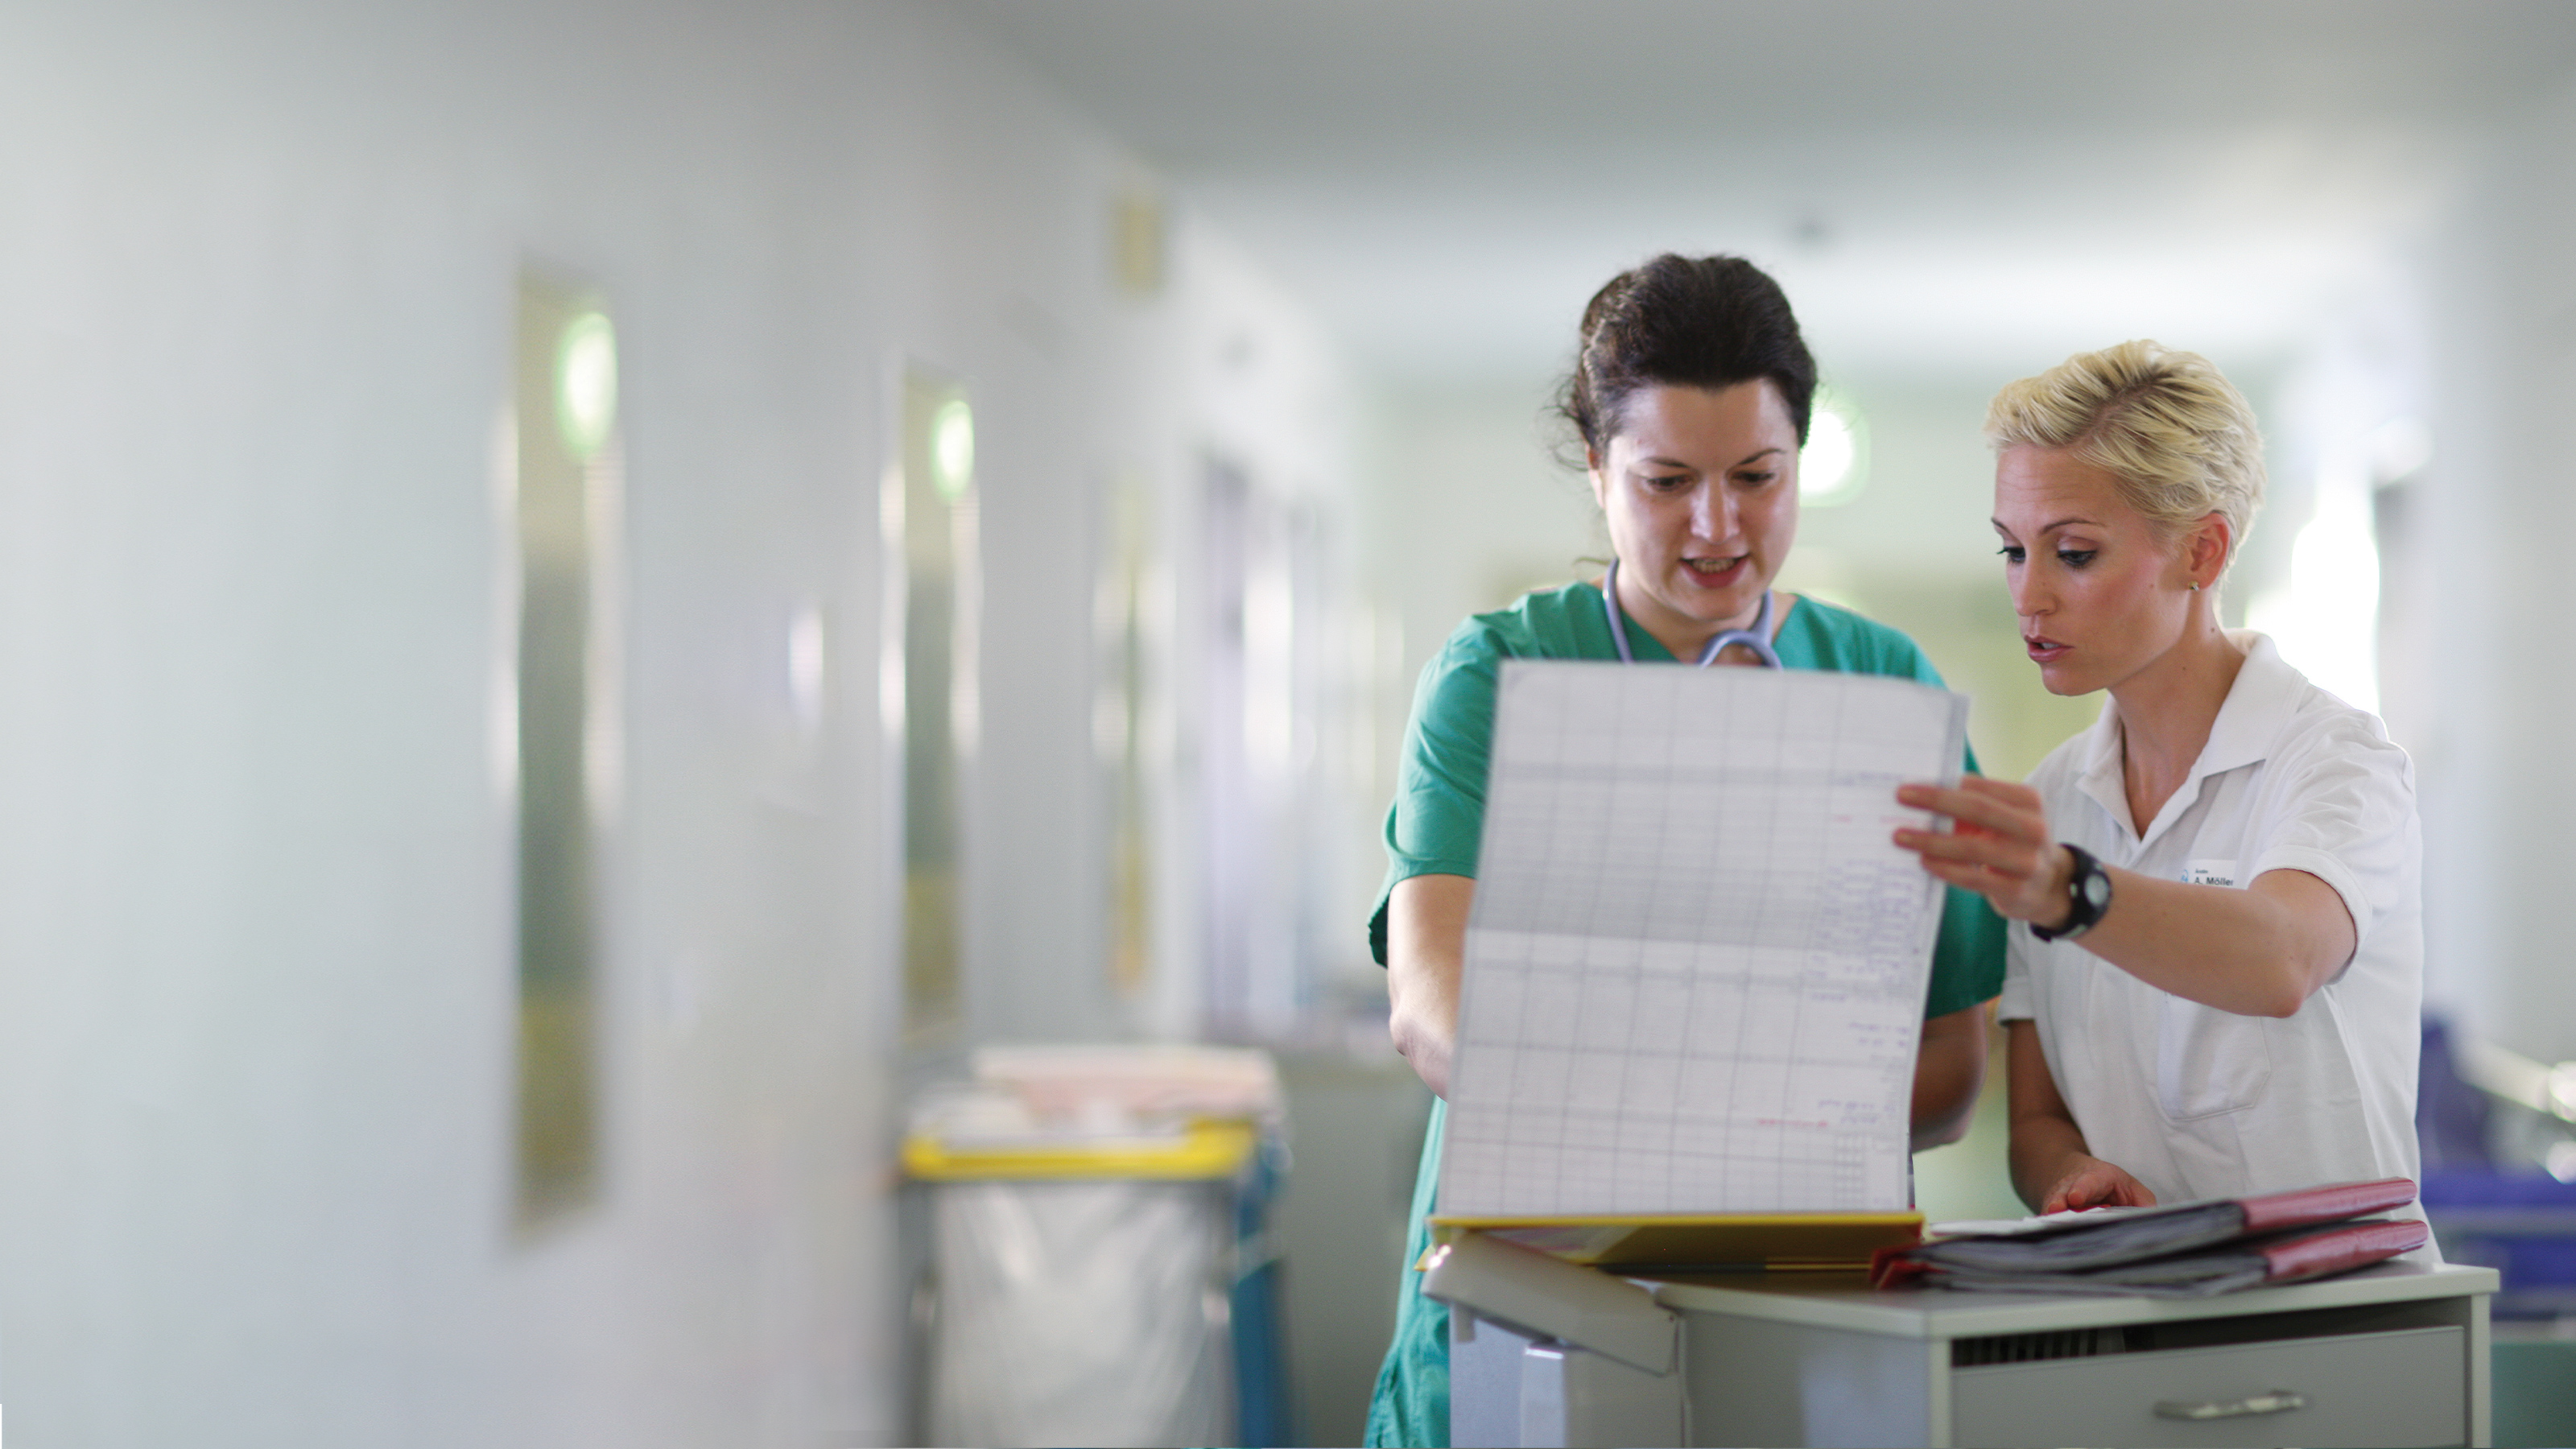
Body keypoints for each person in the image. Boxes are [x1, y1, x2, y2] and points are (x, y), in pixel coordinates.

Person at [1365, 254, 2006, 1448]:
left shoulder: (1885, 686)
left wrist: (1650, 1109)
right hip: (1531, 1301)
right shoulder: (1496, 674)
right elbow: (1431, 1010)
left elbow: (1949, 1072)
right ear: (1595, 464)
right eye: (1666, 482)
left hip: (1800, 1312)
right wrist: (1770, 1109)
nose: (1717, 526)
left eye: (1757, 477)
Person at [1892, 341, 2421, 1216]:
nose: (2027, 596)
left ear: (2201, 554)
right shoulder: (2055, 799)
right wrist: (2067, 1177)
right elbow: (2036, 1121)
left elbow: (2282, 958)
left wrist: (2067, 890)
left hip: (2335, 1296)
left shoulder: (2336, 760)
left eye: (2072, 553)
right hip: (2140, 1286)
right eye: (2012, 551)